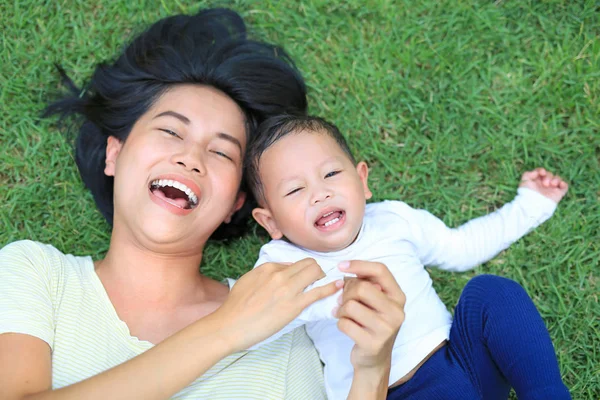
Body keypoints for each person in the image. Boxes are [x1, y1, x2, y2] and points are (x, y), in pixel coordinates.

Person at [0, 9, 405, 400]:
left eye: (222, 153)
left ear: (236, 203)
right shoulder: (37, 274)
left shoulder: (286, 323)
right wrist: (224, 330)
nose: (190, 158)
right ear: (114, 155)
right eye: (171, 130)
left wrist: (372, 372)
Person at [244, 114, 572, 399]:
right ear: (270, 221)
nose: (320, 193)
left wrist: (530, 207)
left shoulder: (392, 220)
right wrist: (329, 303)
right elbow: (254, 327)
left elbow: (461, 248)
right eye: (294, 190)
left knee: (490, 292)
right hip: (384, 391)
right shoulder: (280, 263)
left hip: (462, 367)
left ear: (362, 180)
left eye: (331, 174)